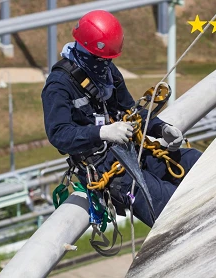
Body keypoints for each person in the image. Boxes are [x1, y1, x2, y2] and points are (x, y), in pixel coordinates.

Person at [41, 10, 202, 227]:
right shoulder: (59, 86)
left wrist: (160, 128)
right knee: (169, 204)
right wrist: (101, 133)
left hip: (132, 152)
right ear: (87, 51)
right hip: (105, 168)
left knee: (195, 162)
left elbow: (130, 110)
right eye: (102, 59)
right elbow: (59, 134)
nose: (105, 64)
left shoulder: (105, 71)